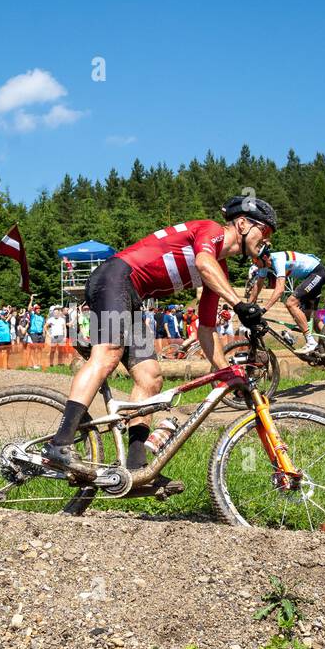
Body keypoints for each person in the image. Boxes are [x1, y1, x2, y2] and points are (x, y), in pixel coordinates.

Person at [42, 195, 274, 481]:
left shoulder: (218, 272)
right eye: (265, 230)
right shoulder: (211, 232)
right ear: (241, 224)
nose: (268, 240)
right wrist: (239, 304)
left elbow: (206, 329)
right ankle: (59, 443)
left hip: (133, 297)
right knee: (108, 354)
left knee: (151, 377)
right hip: (115, 278)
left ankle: (136, 469)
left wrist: (224, 371)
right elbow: (202, 261)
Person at [246, 246, 325, 352]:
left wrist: (264, 310)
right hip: (312, 275)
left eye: (255, 260)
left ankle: (310, 341)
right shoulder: (264, 265)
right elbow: (258, 286)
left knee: (291, 303)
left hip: (317, 273)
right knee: (310, 318)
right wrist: (248, 307)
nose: (254, 263)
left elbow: (280, 290)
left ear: (265, 257)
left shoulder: (278, 260)